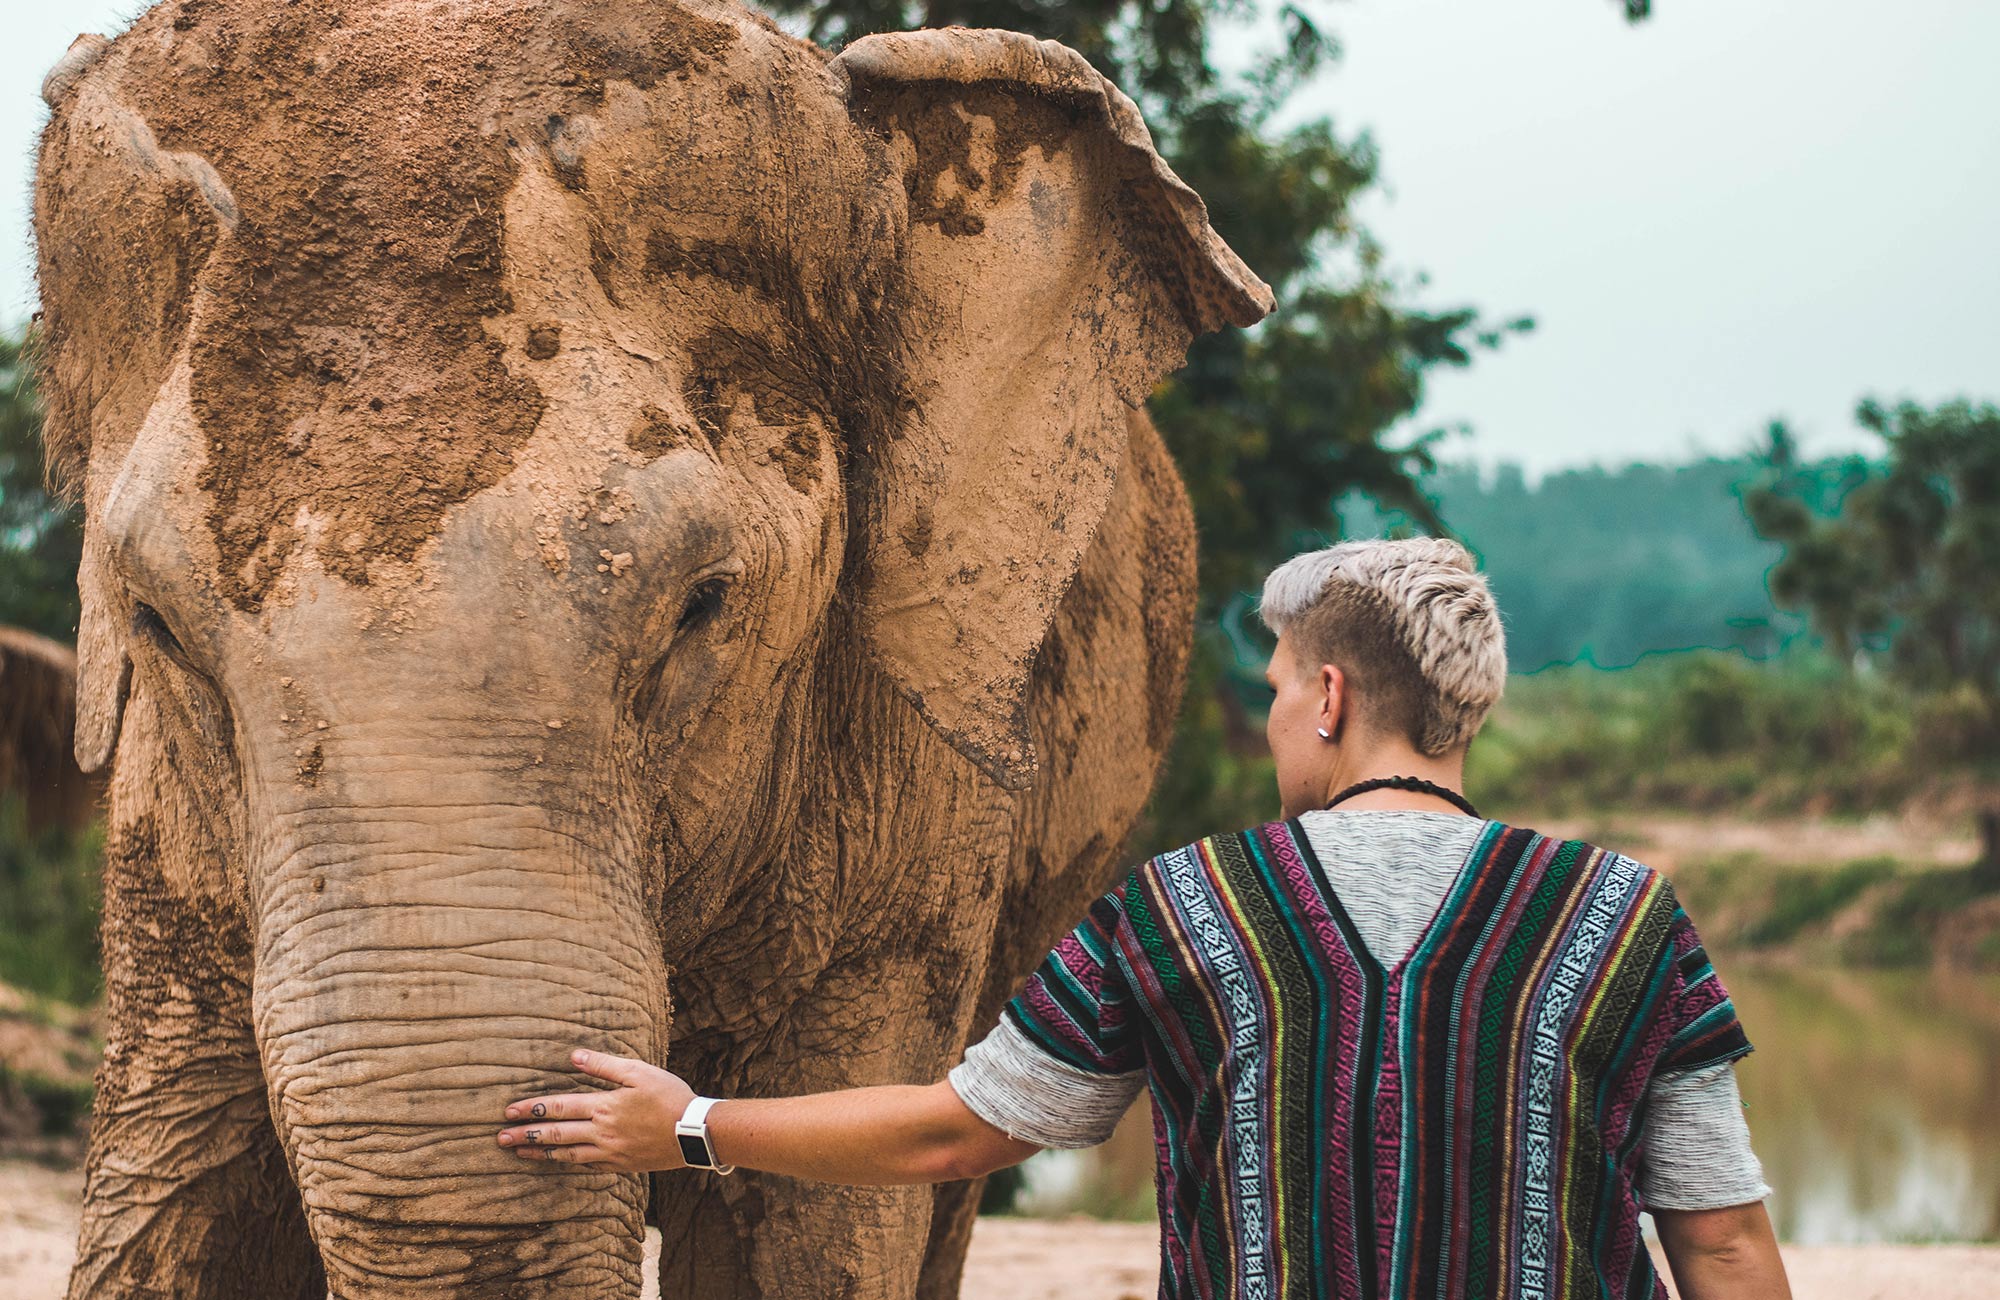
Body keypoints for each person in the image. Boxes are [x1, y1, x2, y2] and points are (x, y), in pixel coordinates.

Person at [497, 537, 1792, 1300]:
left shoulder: (1187, 907)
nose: (1276, 711)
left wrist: (691, 1128)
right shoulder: (1628, 920)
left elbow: (956, 1134)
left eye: (1279, 684)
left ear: (1330, 697)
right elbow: (1724, 1241)